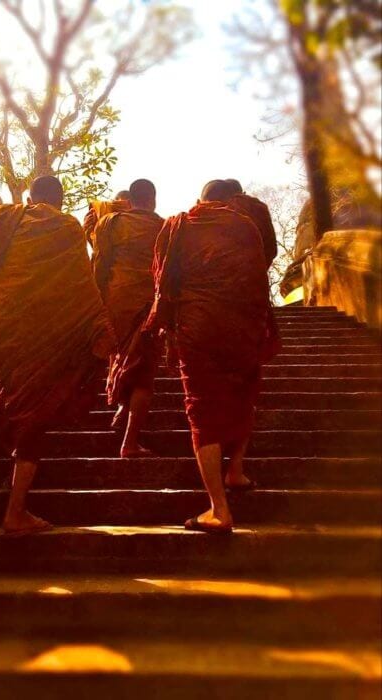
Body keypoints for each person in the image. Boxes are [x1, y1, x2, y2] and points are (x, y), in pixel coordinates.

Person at [0, 176, 116, 535]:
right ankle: (16, 511)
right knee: (34, 413)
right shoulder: (66, 227)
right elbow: (81, 284)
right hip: (45, 330)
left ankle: (12, 476)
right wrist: (99, 325)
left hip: (4, 323)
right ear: (60, 199)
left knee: (12, 395)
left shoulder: (3, 219)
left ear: (32, 196)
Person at [145, 179, 273, 532]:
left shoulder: (181, 225)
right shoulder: (247, 225)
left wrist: (167, 328)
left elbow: (164, 278)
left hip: (198, 328)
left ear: (201, 200)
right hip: (246, 326)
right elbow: (264, 262)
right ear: (235, 199)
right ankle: (236, 471)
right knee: (243, 396)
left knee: (201, 409)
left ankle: (219, 508)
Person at [92, 179, 163, 457]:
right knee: (143, 373)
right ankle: (130, 443)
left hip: (116, 302)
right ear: (153, 199)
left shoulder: (110, 223)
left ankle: (122, 409)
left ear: (130, 200)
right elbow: (171, 272)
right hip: (149, 306)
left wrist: (98, 302)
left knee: (123, 358)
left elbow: (100, 265)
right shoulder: (165, 228)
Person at [224, 179, 278, 268]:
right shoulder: (260, 207)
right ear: (244, 193)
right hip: (260, 264)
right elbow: (271, 248)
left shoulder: (226, 208)